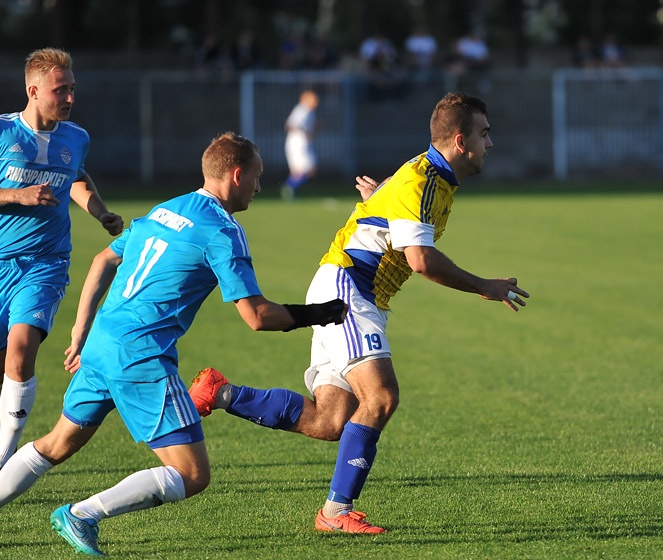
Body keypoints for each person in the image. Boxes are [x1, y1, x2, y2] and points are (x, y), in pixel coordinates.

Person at [0, 132, 347, 556]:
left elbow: (103, 260)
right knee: (192, 475)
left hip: (102, 342)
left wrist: (81, 331)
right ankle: (82, 515)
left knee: (57, 442)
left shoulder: (165, 209)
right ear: (237, 174)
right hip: (141, 356)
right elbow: (257, 317)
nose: (259, 187)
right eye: (257, 178)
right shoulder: (223, 231)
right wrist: (320, 313)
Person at [189, 92, 529, 534]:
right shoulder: (422, 181)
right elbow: (420, 259)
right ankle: (335, 512)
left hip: (352, 289)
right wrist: (483, 285)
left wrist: (376, 201)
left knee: (331, 420)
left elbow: (392, 208)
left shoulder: (428, 177)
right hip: (350, 289)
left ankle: (221, 393)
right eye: (485, 134)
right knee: (381, 398)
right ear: (461, 141)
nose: (491, 143)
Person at [0, 47, 123, 485]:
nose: (68, 97)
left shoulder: (75, 136)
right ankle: (0, 434)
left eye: (72, 89)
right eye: (59, 89)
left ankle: (4, 459)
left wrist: (100, 212)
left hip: (46, 262)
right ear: (34, 90)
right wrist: (17, 195)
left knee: (21, 351)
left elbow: (77, 177)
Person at [280, 89, 319, 201]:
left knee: (297, 171)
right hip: (298, 144)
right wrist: (304, 131)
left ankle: (290, 191)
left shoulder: (310, 112)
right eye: (314, 99)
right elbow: (289, 125)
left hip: (300, 144)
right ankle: (289, 188)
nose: (316, 102)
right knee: (311, 169)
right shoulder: (303, 110)